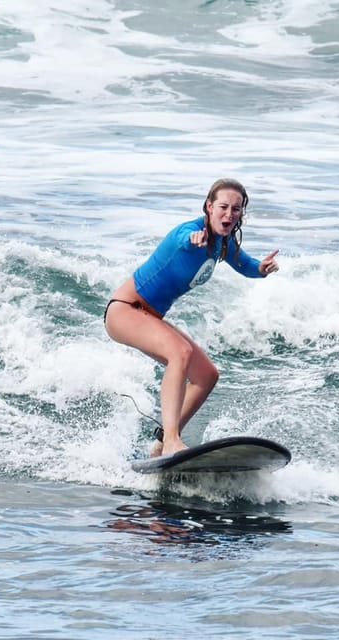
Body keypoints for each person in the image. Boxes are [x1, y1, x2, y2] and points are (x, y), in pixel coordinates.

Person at [104, 178, 279, 457]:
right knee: (180, 353)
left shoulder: (224, 243)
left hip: (149, 316)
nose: (229, 214)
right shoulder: (188, 233)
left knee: (206, 376)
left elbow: (246, 265)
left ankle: (160, 445)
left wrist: (262, 268)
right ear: (209, 207)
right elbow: (184, 240)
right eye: (223, 206)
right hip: (125, 309)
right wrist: (193, 239)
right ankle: (173, 440)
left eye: (236, 209)